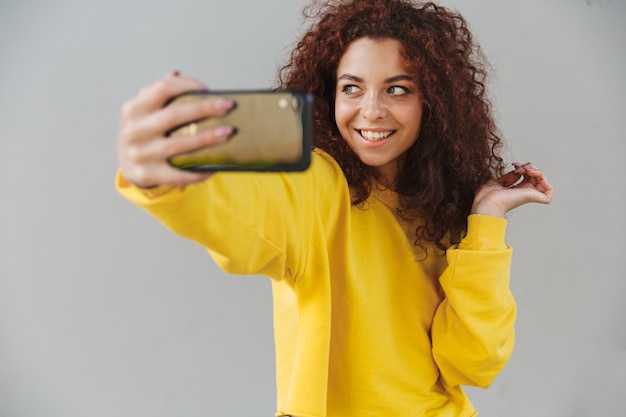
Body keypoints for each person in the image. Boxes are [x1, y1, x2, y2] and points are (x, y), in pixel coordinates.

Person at [116, 0, 553, 415]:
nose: (371, 111)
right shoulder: (319, 183)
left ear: (432, 103)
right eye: (352, 88)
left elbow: (473, 364)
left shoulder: (442, 209)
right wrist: (163, 179)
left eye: (397, 89)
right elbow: (245, 221)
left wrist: (486, 222)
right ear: (330, 96)